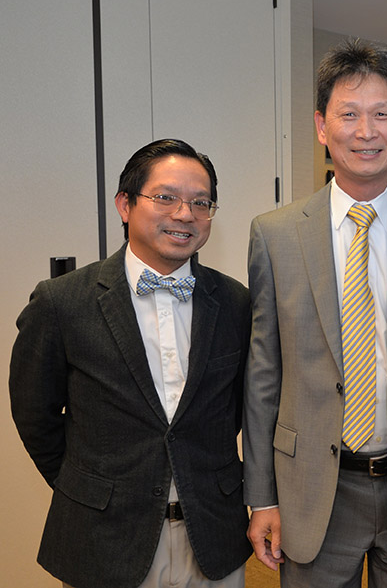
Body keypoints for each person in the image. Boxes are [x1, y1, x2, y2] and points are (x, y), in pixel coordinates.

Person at [242, 39, 387, 587]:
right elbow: (262, 378)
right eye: (349, 115)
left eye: (381, 115)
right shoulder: (274, 235)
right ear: (322, 127)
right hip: (310, 491)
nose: (366, 132)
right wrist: (261, 497)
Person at [9, 139, 251, 588]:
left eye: (201, 202)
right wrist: (89, 490)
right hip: (104, 536)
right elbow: (33, 414)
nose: (185, 214)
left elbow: (237, 410)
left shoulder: (235, 301)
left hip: (212, 532)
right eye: (165, 198)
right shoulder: (61, 302)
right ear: (125, 205)